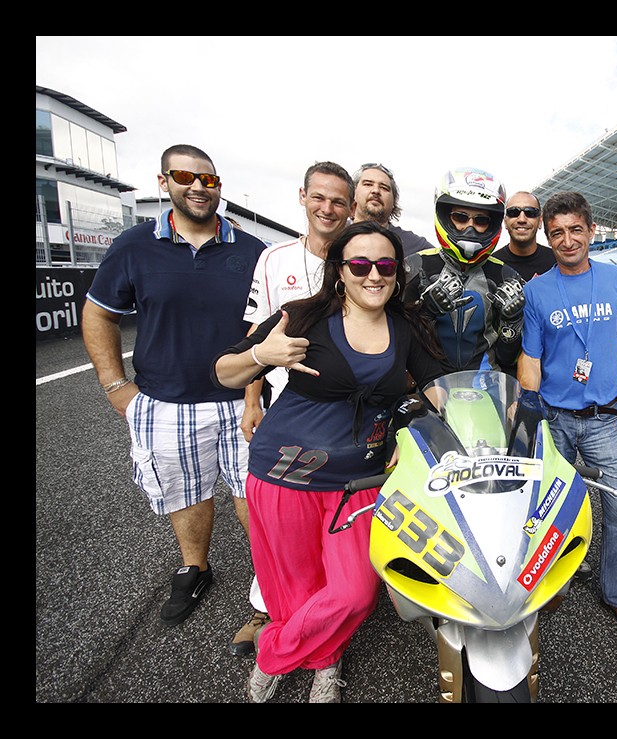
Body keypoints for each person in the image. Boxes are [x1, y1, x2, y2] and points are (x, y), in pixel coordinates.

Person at [212, 221, 446, 702]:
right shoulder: (300, 316)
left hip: (360, 481)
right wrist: (261, 353)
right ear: (340, 271)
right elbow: (224, 372)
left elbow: (437, 389)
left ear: (397, 272)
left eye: (385, 265)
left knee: (356, 591)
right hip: (283, 472)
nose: (373, 275)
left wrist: (419, 428)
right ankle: (324, 662)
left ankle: (274, 652)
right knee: (293, 587)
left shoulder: (406, 326)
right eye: (360, 265)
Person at [81, 144, 266, 632]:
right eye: (186, 176)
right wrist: (114, 385)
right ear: (164, 182)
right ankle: (195, 567)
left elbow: (268, 323)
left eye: (210, 179)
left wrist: (258, 391)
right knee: (184, 493)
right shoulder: (134, 245)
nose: (199, 187)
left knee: (255, 495)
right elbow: (99, 312)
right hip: (165, 402)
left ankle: (268, 578)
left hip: (242, 401)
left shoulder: (251, 251)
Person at [231, 161, 355, 657]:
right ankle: (268, 607)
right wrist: (251, 400)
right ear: (302, 197)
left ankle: (322, 620)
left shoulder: (360, 257)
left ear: (349, 207)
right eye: (319, 198)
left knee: (335, 520)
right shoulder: (272, 258)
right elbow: (253, 337)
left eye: (338, 201)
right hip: (287, 407)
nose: (328, 209)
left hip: (347, 411)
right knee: (282, 522)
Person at [517, 191, 617, 643]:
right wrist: (529, 408)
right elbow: (530, 356)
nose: (568, 240)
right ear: (547, 237)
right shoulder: (536, 290)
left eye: (576, 230)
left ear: (592, 231)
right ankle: (554, 581)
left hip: (603, 419)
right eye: (557, 233)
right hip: (555, 417)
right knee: (550, 506)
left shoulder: (615, 280)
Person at [402, 167, 525, 375]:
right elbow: (395, 343)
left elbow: (508, 358)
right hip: (428, 383)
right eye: (460, 217)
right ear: (445, 216)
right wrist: (425, 312)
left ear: (492, 223)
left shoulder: (506, 276)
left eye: (481, 220)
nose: (470, 228)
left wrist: (512, 322)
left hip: (486, 385)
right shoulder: (414, 267)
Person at [351, 163, 434, 258]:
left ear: (394, 201)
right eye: (368, 184)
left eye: (384, 188)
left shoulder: (415, 246)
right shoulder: (334, 235)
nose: (376, 191)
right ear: (353, 193)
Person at [491, 191, 556, 280]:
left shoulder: (558, 262)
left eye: (530, 212)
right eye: (513, 212)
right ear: (505, 221)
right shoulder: (491, 266)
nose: (522, 219)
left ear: (540, 221)